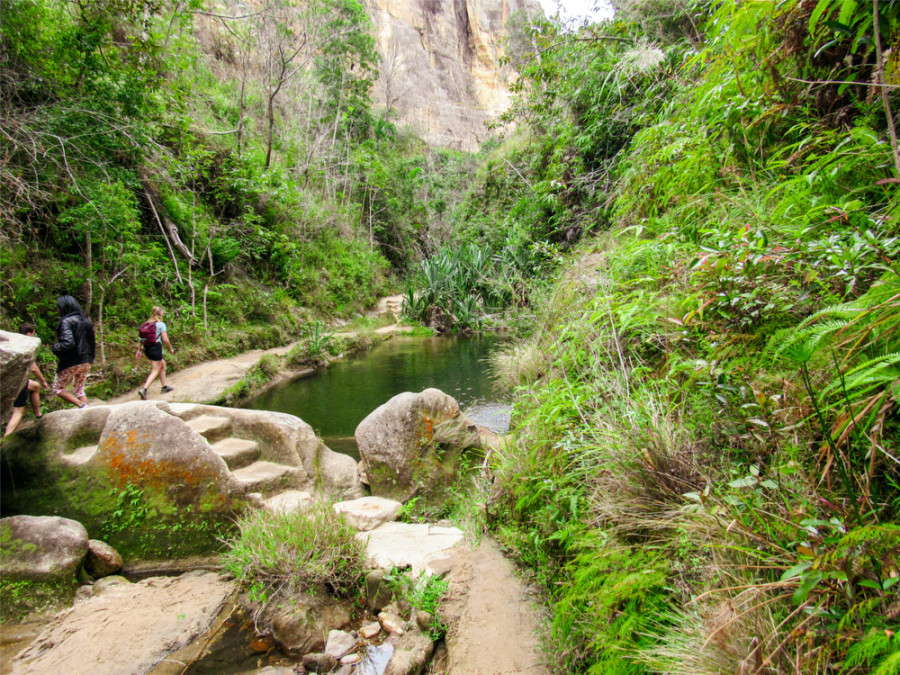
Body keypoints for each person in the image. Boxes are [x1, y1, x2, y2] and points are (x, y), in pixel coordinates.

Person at [4, 323, 50, 437]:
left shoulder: (13, 343)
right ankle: (5, 439)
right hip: (16, 382)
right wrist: (43, 381)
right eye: (34, 334)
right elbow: (34, 368)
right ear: (29, 334)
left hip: (9, 381)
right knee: (18, 411)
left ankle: (38, 416)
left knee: (35, 386)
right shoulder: (25, 346)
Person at [51, 294, 95, 408]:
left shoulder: (66, 321)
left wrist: (55, 348)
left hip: (72, 360)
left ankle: (81, 405)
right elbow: (92, 342)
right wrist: (90, 359)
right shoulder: (86, 320)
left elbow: (68, 343)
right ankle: (88, 411)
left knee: (57, 388)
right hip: (86, 360)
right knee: (79, 390)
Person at [136, 306, 175, 400]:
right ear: (160, 313)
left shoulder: (146, 323)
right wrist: (170, 349)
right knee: (155, 370)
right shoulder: (161, 324)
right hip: (156, 348)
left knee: (163, 365)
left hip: (147, 348)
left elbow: (141, 339)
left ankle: (164, 387)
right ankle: (144, 389)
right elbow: (165, 339)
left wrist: (139, 350)